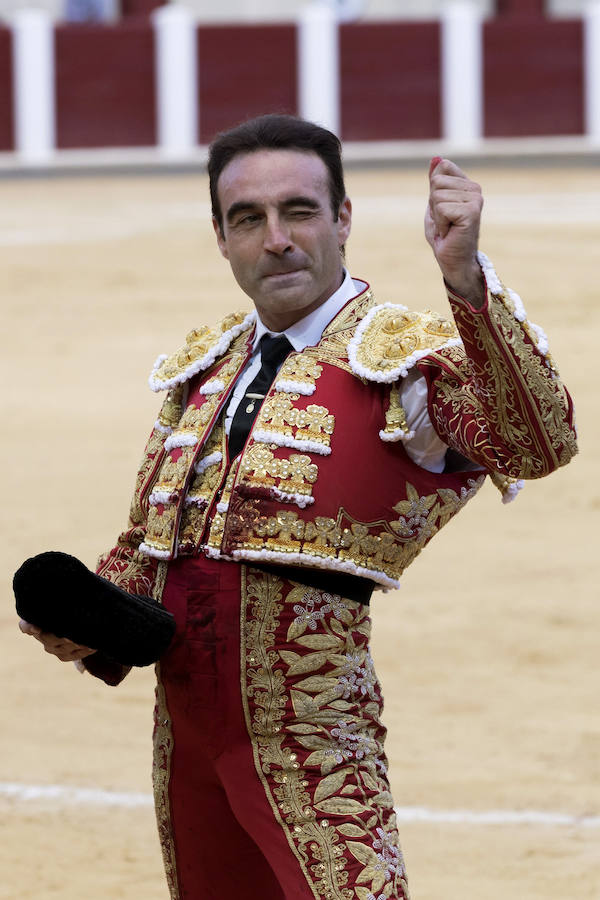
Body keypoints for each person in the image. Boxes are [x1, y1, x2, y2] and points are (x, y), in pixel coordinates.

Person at [19, 114, 577, 900]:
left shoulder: (403, 361)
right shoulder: (203, 369)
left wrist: (464, 277)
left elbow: (534, 445)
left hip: (310, 730)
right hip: (182, 726)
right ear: (221, 238)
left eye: (300, 211)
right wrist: (85, 621)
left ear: (343, 219)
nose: (276, 238)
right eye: (248, 218)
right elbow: (152, 541)